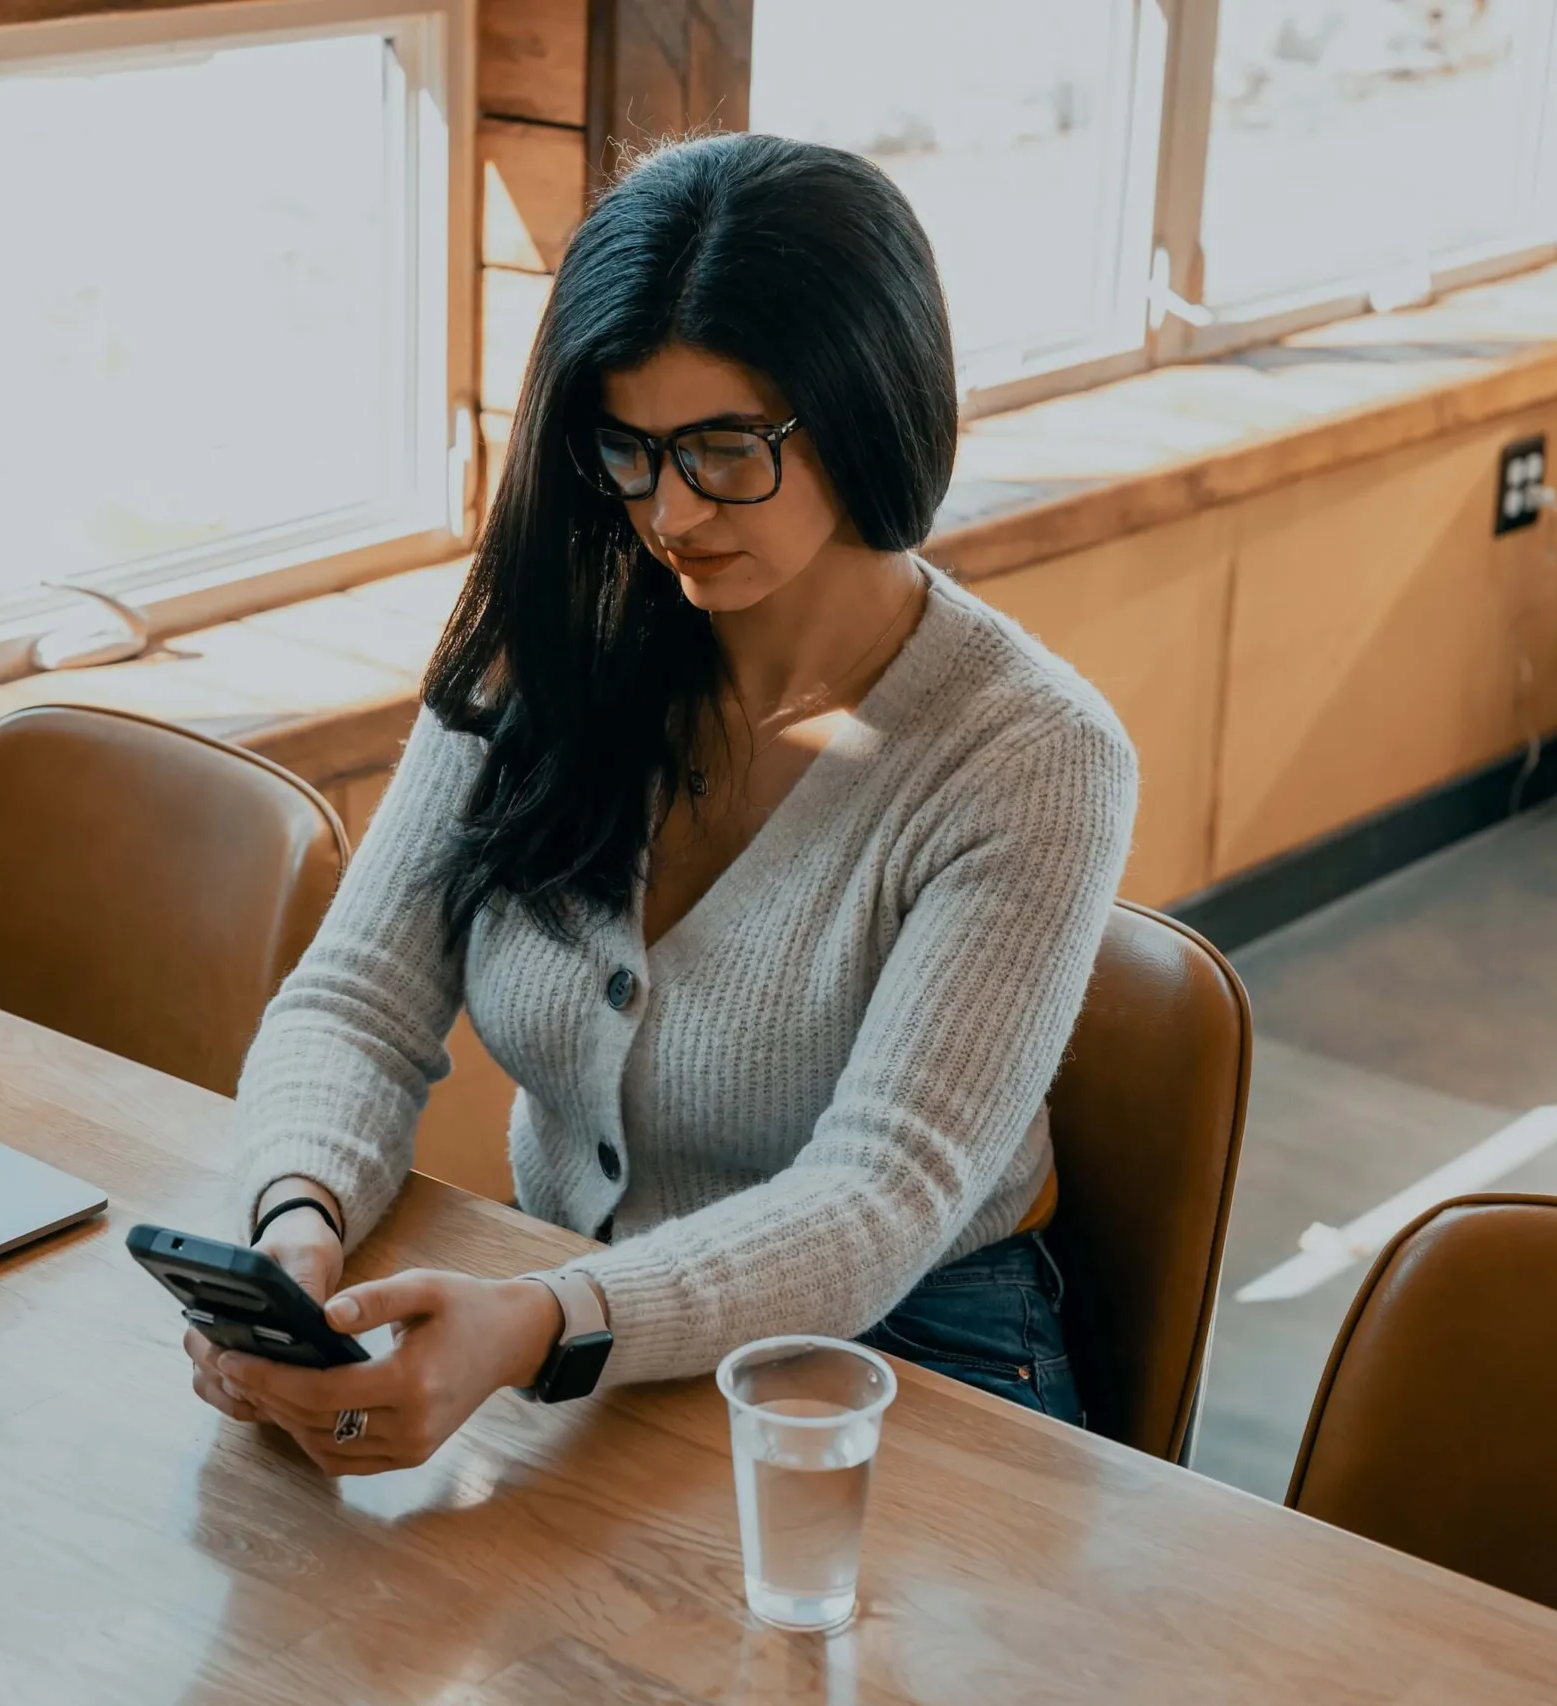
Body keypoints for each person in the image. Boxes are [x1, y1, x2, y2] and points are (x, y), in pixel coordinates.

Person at [184, 132, 1136, 1475]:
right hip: (572, 1325)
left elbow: (875, 1199)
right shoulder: (551, 649)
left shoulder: (1030, 755)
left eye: (726, 448)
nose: (669, 510)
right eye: (625, 449)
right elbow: (354, 1001)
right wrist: (296, 1223)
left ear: (867, 402)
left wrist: (541, 1323)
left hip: (910, 1362)